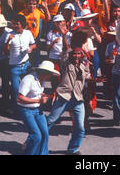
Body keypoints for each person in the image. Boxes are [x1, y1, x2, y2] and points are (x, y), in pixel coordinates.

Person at [46, 25, 91, 155]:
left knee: (80, 127)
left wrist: (94, 80)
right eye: (75, 53)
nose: (76, 56)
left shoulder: (85, 63)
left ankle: (73, 149)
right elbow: (66, 48)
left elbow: (86, 77)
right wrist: (64, 35)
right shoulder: (66, 61)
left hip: (78, 99)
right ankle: (34, 142)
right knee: (50, 121)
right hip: (64, 97)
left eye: (79, 54)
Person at [17, 60, 60, 155]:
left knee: (45, 133)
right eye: (50, 74)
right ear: (45, 73)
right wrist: (39, 101)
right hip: (26, 110)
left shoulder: (42, 80)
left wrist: (45, 96)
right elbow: (19, 98)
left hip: (37, 109)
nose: (51, 77)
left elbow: (36, 94)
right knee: (36, 136)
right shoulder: (28, 79)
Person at [4, 14, 36, 116]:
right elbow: (5, 51)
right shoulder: (9, 35)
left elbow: (34, 44)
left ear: (23, 25)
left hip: (26, 65)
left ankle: (28, 108)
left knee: (28, 88)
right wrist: (8, 40)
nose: (15, 26)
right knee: (15, 89)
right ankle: (14, 109)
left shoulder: (28, 33)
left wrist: (31, 48)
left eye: (17, 24)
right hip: (14, 67)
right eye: (14, 24)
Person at [105, 30, 120, 126]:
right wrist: (109, 60)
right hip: (114, 71)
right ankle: (118, 116)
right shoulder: (110, 45)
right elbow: (106, 58)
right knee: (115, 95)